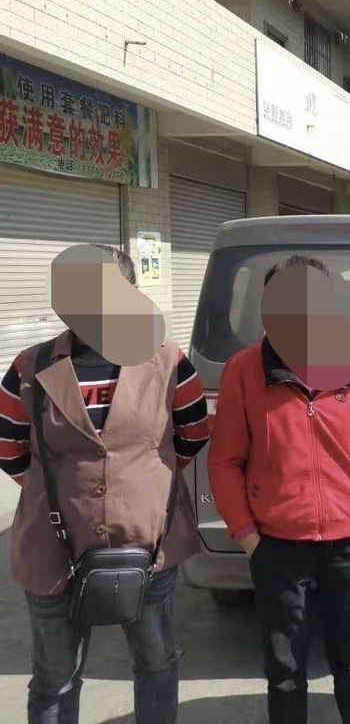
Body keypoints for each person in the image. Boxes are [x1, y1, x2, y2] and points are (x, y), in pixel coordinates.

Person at [0, 245, 211, 724]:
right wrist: (63, 492)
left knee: (156, 663)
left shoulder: (169, 362)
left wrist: (138, 486)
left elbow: (192, 434)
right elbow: (9, 449)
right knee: (55, 678)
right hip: (52, 551)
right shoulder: (30, 367)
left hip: (148, 546)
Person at [206, 255, 350, 724]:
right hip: (278, 543)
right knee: (285, 669)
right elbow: (225, 460)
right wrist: (247, 535)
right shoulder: (244, 370)